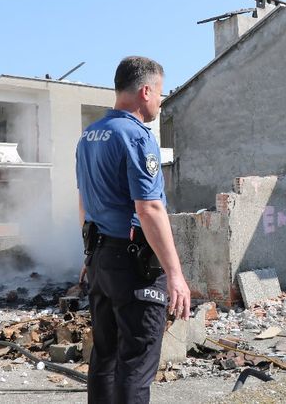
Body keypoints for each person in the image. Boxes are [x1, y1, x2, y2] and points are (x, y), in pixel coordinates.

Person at [76, 56, 191, 403]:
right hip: (133, 268)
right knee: (136, 364)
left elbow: (83, 201)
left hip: (100, 260)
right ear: (145, 91)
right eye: (159, 93)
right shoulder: (137, 137)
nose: (160, 101)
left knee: (104, 358)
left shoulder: (88, 136)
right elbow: (150, 208)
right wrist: (175, 274)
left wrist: (88, 255)